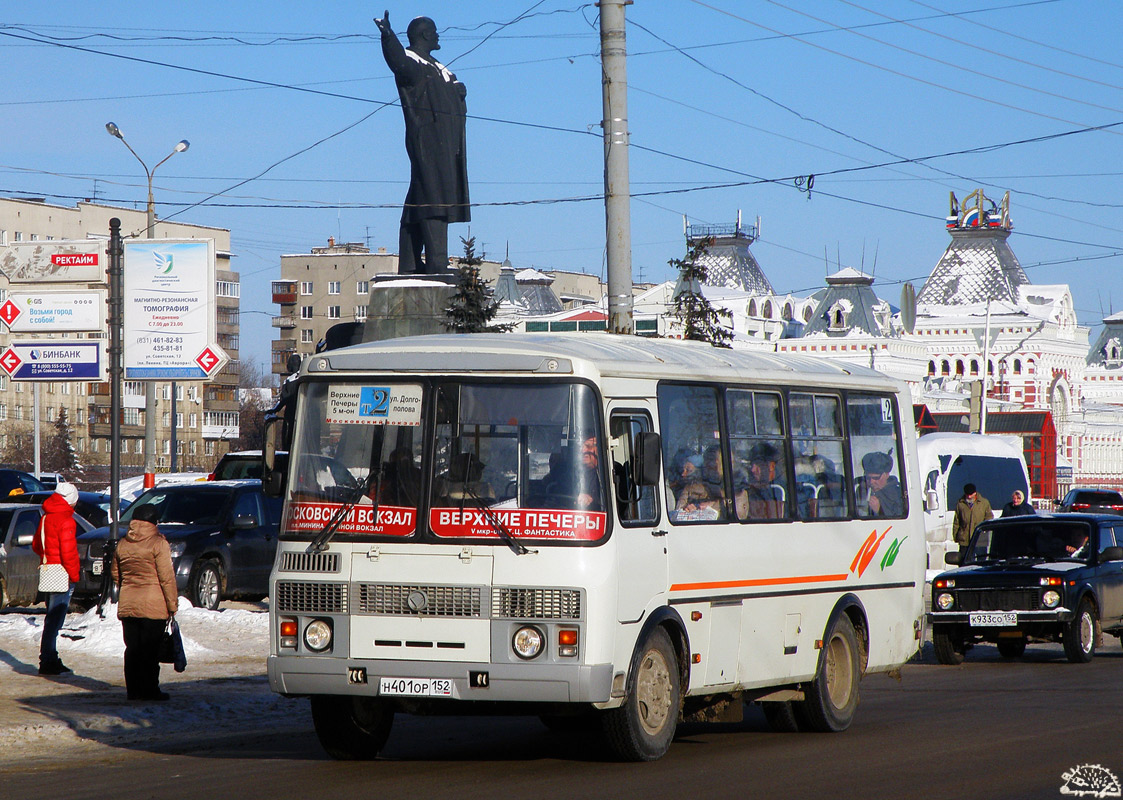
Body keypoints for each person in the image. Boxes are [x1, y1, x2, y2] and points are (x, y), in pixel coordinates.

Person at [376, 11, 470, 275]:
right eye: (435, 31)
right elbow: (398, 62)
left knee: (421, 197)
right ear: (426, 35)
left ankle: (408, 263)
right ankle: (437, 262)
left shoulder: (437, 66)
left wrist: (459, 94)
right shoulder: (413, 62)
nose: (439, 35)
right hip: (428, 142)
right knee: (434, 197)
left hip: (446, 146)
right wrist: (387, 36)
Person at [111, 504, 179, 702]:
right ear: (154, 521)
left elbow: (116, 573)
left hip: (128, 604)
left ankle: (133, 690)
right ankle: (150, 690)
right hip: (153, 605)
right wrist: (172, 605)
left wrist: (128, 588)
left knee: (132, 649)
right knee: (150, 651)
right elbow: (167, 577)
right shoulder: (158, 543)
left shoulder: (123, 543)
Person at [32, 483, 80, 675]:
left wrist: (48, 557)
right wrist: (75, 576)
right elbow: (69, 553)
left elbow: (37, 545)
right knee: (55, 619)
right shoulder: (67, 521)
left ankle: (49, 657)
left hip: (48, 571)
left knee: (50, 618)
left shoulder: (45, 518)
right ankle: (48, 660)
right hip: (62, 573)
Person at [743, 441, 783, 519]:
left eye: (758, 464)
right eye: (752, 465)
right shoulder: (749, 491)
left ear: (771, 466)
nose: (753, 469)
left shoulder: (782, 490)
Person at [952, 483, 993, 555]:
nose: (969, 496)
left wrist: (984, 530)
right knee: (964, 560)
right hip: (964, 539)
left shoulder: (984, 503)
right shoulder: (960, 504)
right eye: (967, 494)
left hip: (980, 538)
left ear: (975, 493)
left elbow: (989, 517)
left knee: (980, 560)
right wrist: (956, 536)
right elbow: (957, 521)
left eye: (971, 494)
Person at [862, 451, 903, 517]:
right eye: (868, 478)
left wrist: (879, 510)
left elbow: (901, 521)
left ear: (886, 475)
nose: (871, 482)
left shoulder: (898, 494)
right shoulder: (862, 491)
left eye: (876, 477)